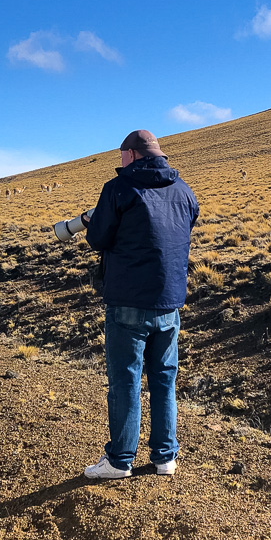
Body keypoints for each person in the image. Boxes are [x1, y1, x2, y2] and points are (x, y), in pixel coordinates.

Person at [82, 130, 199, 479]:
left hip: (127, 301)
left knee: (125, 381)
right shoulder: (184, 190)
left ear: (132, 154)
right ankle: (166, 457)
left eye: (121, 156)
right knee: (164, 380)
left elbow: (98, 238)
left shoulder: (118, 188)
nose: (119, 163)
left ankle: (120, 460)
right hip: (169, 303)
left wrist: (92, 221)